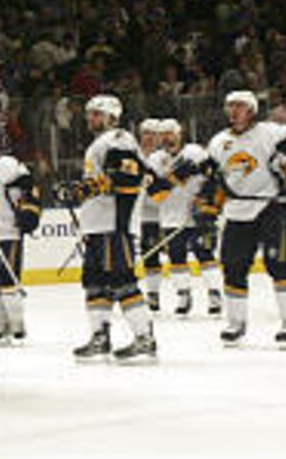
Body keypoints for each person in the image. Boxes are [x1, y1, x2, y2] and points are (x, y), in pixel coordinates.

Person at [200, 90, 286, 348]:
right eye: (230, 106)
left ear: (252, 110)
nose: (233, 111)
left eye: (239, 106)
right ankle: (236, 323)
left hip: (273, 206)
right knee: (233, 268)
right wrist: (208, 208)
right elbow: (214, 182)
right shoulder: (218, 142)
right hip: (237, 211)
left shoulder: (274, 134)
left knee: (278, 265)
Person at [58, 94, 158, 363]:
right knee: (94, 282)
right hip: (97, 225)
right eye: (89, 113)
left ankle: (144, 338)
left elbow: (128, 176)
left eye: (96, 114)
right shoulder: (100, 143)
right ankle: (100, 338)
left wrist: (85, 188)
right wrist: (79, 190)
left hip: (115, 224)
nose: (90, 118)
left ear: (112, 117)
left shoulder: (118, 139)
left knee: (122, 280)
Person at [146, 119, 223, 317]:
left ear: (180, 134)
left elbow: (215, 175)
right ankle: (183, 295)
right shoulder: (154, 160)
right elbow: (155, 194)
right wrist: (175, 177)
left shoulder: (195, 152)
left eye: (170, 133)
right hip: (170, 217)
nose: (167, 138)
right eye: (162, 134)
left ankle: (215, 294)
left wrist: (207, 199)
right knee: (177, 258)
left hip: (198, 216)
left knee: (204, 254)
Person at [0, 124, 41, 346]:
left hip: (8, 231)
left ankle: (17, 323)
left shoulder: (10, 165)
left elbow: (29, 190)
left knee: (9, 282)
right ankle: (1, 324)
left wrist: (29, 213)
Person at [136, 118, 164, 311]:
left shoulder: (166, 157)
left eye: (154, 133)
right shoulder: (134, 155)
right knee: (150, 255)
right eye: (146, 133)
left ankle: (189, 293)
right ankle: (153, 294)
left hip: (168, 211)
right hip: (145, 215)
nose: (150, 137)